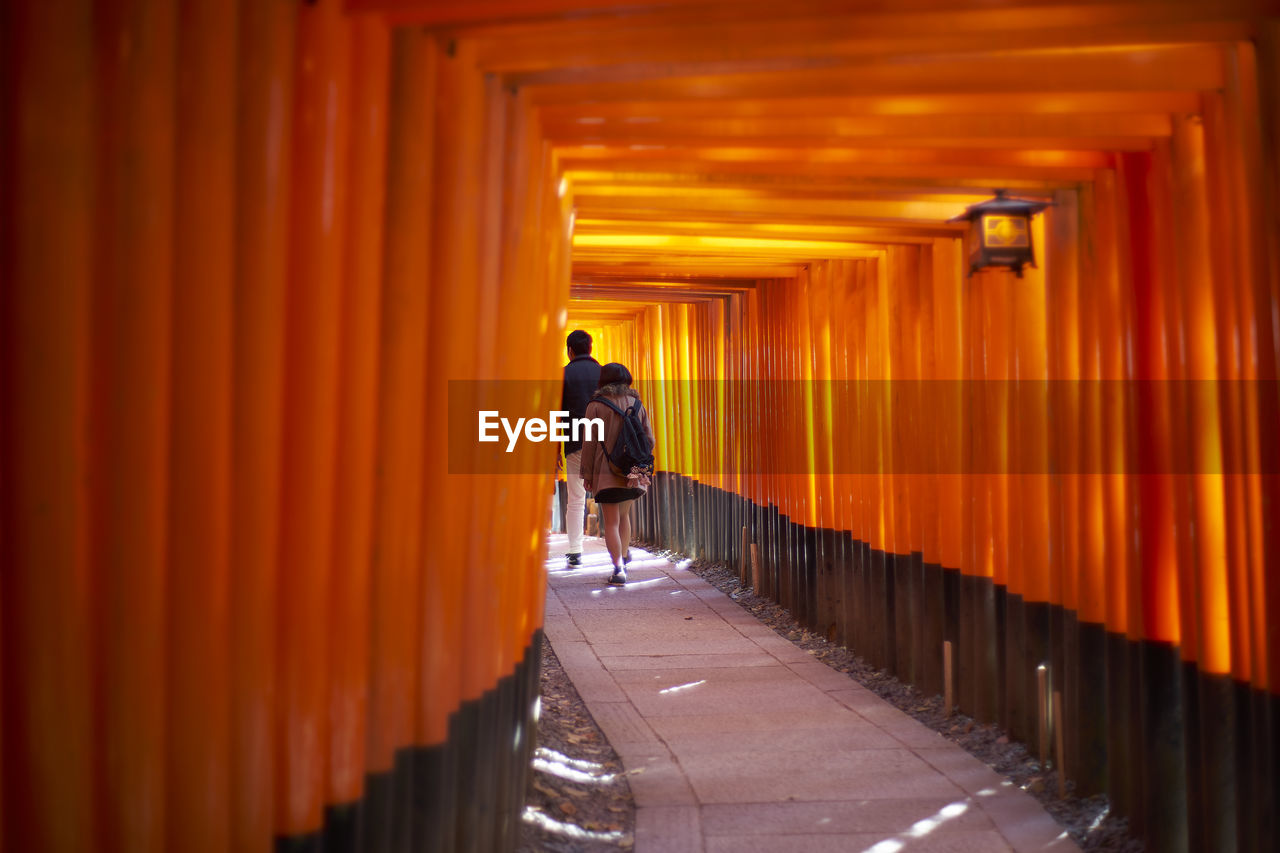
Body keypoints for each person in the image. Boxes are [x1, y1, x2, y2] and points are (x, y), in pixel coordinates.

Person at [580, 363, 655, 585]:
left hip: (606, 471)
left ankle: (618, 569)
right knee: (624, 517)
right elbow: (649, 439)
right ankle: (623, 556)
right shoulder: (637, 403)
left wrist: (587, 475)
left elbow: (590, 443)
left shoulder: (595, 406)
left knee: (611, 522)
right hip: (632, 473)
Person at [560, 330, 601, 566]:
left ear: (570, 350)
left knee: (576, 497)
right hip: (604, 442)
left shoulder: (564, 375)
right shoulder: (604, 373)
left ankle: (575, 550)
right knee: (608, 494)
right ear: (590, 348)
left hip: (575, 440)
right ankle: (620, 548)